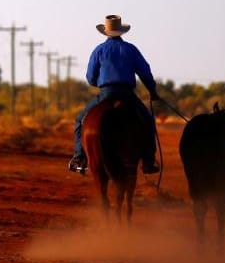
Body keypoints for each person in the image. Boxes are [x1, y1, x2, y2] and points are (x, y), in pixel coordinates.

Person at [69, 14, 161, 175]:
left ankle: (80, 157)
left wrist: (101, 83)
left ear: (105, 32)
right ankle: (148, 160)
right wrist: (152, 91)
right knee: (148, 119)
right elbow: (145, 72)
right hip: (127, 94)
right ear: (121, 32)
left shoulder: (99, 50)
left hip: (105, 93)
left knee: (80, 120)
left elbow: (90, 77)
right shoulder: (131, 49)